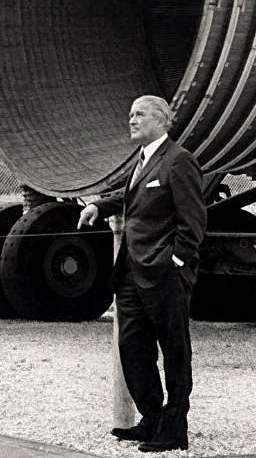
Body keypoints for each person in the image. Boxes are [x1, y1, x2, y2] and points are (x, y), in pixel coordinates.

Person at [78, 95, 206, 453]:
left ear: (163, 121)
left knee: (175, 351)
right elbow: (131, 196)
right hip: (132, 274)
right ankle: (151, 420)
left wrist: (175, 263)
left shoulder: (179, 161)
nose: (131, 121)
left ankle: (174, 428)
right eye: (130, 114)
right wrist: (98, 205)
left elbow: (193, 224)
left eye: (139, 115)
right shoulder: (144, 160)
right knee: (133, 348)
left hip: (164, 274)